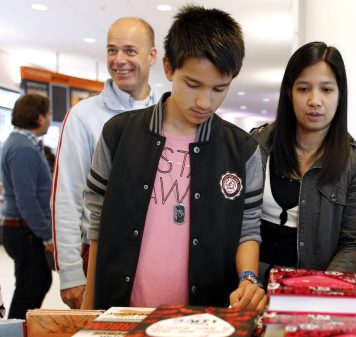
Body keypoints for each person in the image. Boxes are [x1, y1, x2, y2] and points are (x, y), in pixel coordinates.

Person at [82, 5, 266, 312]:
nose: (205, 102)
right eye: (193, 85)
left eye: (220, 88)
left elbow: (247, 227)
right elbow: (98, 223)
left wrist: (248, 278)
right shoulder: (118, 134)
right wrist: (89, 309)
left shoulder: (242, 149)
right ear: (168, 68)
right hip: (122, 310)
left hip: (204, 316)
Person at [52, 17, 158, 309]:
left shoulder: (168, 114)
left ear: (152, 56)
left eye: (130, 51)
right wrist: (71, 273)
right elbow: (67, 197)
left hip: (157, 258)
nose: (119, 60)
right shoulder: (83, 116)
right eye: (112, 50)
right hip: (100, 255)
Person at [251, 41, 356, 283]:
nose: (315, 101)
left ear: (340, 95)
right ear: (289, 92)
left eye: (327, 90)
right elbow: (234, 224)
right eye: (304, 89)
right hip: (249, 284)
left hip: (312, 291)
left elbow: (353, 243)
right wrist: (248, 277)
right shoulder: (256, 144)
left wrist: (320, 286)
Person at [1, 94, 53, 318]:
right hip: (24, 231)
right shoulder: (23, 148)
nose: (50, 119)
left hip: (23, 229)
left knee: (36, 282)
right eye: (49, 114)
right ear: (39, 118)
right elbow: (26, 200)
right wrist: (47, 235)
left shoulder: (20, 143)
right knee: (30, 288)